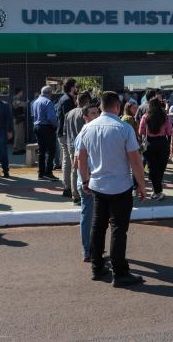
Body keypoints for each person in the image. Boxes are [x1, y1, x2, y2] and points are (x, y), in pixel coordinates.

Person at [76, 91, 147, 288]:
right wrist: (142, 185)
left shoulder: (88, 128)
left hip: (97, 185)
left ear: (100, 107)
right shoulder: (124, 128)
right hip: (120, 186)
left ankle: (97, 267)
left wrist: (84, 180)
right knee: (118, 229)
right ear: (117, 106)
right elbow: (135, 161)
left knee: (98, 227)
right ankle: (120, 272)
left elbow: (80, 159)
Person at [75, 103, 101, 261]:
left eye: (97, 112)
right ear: (85, 117)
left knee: (94, 218)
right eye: (92, 113)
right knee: (88, 217)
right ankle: (87, 250)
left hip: (95, 182)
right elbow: (78, 161)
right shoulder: (83, 134)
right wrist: (85, 180)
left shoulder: (95, 132)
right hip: (87, 183)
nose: (96, 116)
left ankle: (93, 248)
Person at [139, 98, 173, 200]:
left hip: (150, 143)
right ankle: (158, 191)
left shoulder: (145, 117)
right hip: (163, 143)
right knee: (161, 168)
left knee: (153, 168)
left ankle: (157, 191)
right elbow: (169, 132)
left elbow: (140, 131)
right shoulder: (165, 117)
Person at [63, 92, 92, 203]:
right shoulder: (84, 113)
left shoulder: (69, 113)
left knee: (73, 169)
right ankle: (81, 192)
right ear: (87, 102)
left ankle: (74, 194)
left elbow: (65, 131)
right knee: (83, 168)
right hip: (82, 145)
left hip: (71, 143)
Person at [31, 86, 59, 181]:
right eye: (51, 93)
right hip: (46, 127)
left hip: (37, 126)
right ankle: (48, 172)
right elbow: (52, 118)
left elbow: (33, 115)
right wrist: (56, 126)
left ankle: (41, 173)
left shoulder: (35, 102)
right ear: (49, 93)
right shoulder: (48, 102)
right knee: (51, 151)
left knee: (41, 151)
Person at [57, 78, 79, 173]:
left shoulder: (66, 98)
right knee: (67, 160)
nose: (77, 88)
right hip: (65, 134)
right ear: (72, 88)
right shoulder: (67, 101)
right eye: (76, 86)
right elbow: (68, 119)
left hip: (64, 133)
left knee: (67, 159)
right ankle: (67, 186)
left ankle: (67, 184)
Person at [12, 88, 28, 154]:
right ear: (19, 92)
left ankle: (21, 149)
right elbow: (23, 105)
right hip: (17, 120)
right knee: (18, 135)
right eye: (22, 92)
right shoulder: (15, 100)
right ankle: (15, 150)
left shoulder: (17, 99)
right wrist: (27, 102)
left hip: (20, 119)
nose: (22, 93)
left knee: (21, 135)